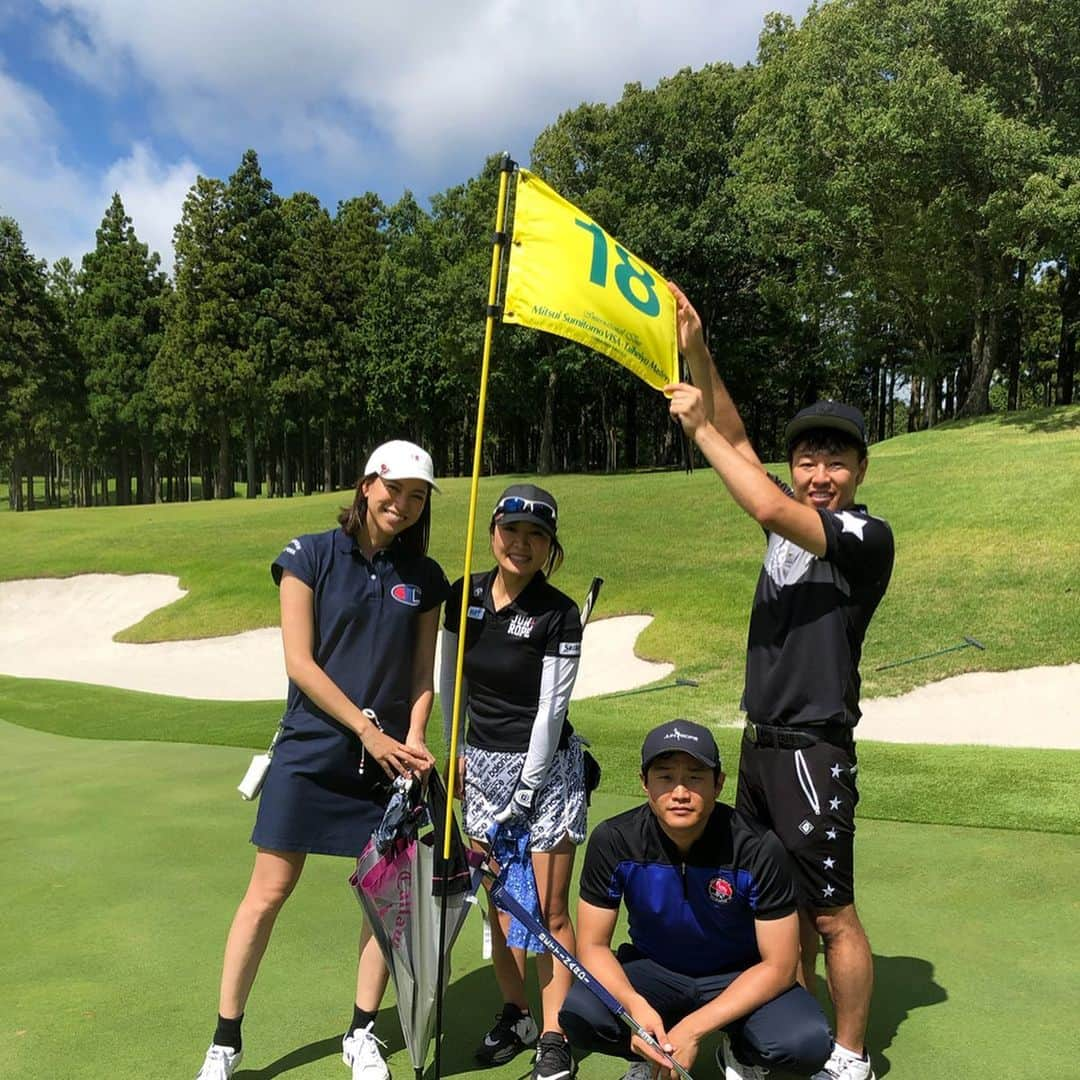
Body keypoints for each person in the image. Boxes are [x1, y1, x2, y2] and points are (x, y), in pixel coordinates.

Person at [665, 282, 895, 1080]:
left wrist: (696, 430)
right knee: (780, 912)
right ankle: (784, 1038)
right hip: (760, 750)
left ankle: (852, 1054)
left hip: (813, 752)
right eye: (808, 458)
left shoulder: (863, 534)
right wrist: (698, 347)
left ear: (861, 467)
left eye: (837, 458)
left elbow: (757, 494)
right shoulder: (791, 516)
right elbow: (736, 438)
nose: (820, 471)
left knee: (831, 916)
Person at [194, 440, 449, 1080]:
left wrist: (416, 732)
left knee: (384, 900)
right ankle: (225, 1041)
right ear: (366, 485)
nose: (404, 505)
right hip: (312, 748)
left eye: (418, 497)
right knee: (269, 890)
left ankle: (362, 1032)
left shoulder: (423, 577)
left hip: (391, 761)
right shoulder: (307, 555)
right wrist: (366, 730)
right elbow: (300, 664)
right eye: (394, 491)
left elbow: (424, 673)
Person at [559, 719, 831, 1080]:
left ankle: (739, 1048)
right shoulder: (613, 840)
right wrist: (635, 1007)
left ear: (718, 784)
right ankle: (650, 1045)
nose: (680, 792)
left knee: (805, 1044)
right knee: (581, 1013)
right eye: (665, 777)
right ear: (644, 783)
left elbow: (780, 965)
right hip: (654, 971)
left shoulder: (758, 847)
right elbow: (592, 947)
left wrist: (695, 1028)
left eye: (695, 777)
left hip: (738, 974)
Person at [440, 483, 587, 1080]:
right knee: (501, 909)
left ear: (550, 545)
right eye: (511, 531)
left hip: (547, 772)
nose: (521, 544)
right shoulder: (464, 595)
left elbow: (552, 713)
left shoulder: (559, 611)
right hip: (480, 765)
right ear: (493, 530)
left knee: (549, 911)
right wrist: (454, 751)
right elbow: (451, 681)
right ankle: (517, 1012)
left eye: (537, 536)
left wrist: (523, 792)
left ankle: (556, 1035)